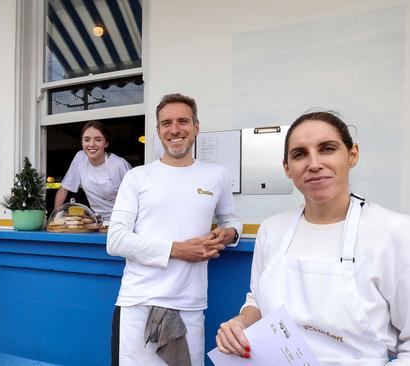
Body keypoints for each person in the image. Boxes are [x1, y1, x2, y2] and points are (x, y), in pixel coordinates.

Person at [215, 111, 410, 365]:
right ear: (287, 167)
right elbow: (258, 300)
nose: (314, 163)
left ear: (353, 155)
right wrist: (240, 323)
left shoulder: (394, 232)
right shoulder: (272, 230)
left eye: (327, 149)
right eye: (300, 154)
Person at [107, 93, 242, 365]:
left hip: (190, 304)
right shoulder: (137, 177)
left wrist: (230, 235)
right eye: (166, 123)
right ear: (158, 131)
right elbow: (116, 241)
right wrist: (178, 250)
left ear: (196, 127)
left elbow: (231, 220)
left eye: (183, 121)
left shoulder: (217, 175)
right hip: (138, 303)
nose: (175, 129)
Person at [54, 121, 132, 222]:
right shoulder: (80, 159)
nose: (91, 144)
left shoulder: (119, 165)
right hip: (97, 222)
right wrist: (55, 218)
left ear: (106, 143)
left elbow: (135, 198)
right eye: (87, 140)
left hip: (122, 222)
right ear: (82, 142)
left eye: (98, 140)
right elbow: (64, 189)